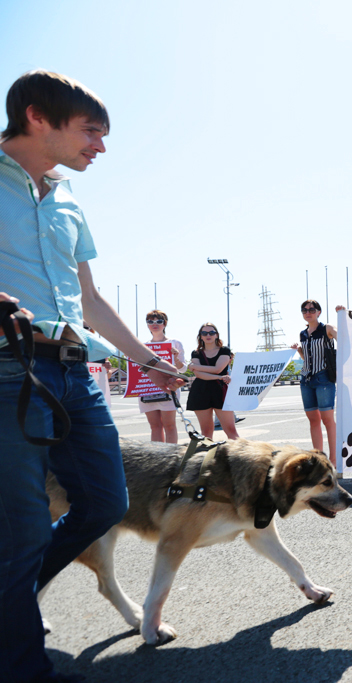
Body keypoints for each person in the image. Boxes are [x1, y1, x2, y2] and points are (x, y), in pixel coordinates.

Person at [0, 70, 182, 683]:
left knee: (108, 501)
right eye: (91, 132)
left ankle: (11, 603)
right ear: (36, 117)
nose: (100, 147)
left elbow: (92, 299)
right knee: (23, 524)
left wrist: (146, 358)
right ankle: (21, 663)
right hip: (8, 370)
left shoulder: (71, 199)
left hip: (77, 372)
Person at [290, 300, 341, 466]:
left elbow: (343, 336)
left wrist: (342, 316)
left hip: (324, 378)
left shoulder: (326, 329)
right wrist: (299, 350)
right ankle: (319, 459)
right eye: (304, 310)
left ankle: (333, 460)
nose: (308, 312)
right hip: (306, 379)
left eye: (312, 309)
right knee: (313, 419)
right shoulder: (303, 334)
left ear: (318, 312)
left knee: (327, 419)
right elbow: (307, 358)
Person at [185, 323, 239, 440]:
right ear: (200, 336)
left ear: (217, 335)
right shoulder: (196, 353)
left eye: (211, 332)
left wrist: (195, 366)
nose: (208, 335)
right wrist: (219, 377)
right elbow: (199, 375)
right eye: (204, 333)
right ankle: (207, 457)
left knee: (231, 430)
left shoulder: (224, 350)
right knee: (206, 431)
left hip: (220, 391)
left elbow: (218, 369)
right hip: (201, 391)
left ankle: (240, 456)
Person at [138, 309, 185, 443]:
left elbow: (183, 369)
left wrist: (175, 358)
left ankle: (171, 457)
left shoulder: (175, 343)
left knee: (169, 425)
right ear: (147, 324)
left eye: (159, 321)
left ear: (165, 324)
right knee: (155, 426)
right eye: (150, 321)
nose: (155, 324)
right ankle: (157, 458)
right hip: (147, 388)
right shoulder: (142, 346)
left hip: (168, 387)